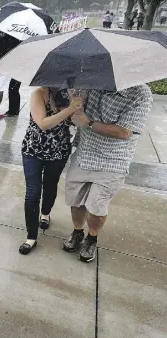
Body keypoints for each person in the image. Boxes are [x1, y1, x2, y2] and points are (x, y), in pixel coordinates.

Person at [63, 85, 153, 262]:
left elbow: (124, 132)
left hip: (114, 159)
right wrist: (74, 102)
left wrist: (88, 122)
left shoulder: (140, 93)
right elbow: (74, 115)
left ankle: (92, 238)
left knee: (97, 206)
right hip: (85, 153)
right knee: (75, 200)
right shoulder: (93, 83)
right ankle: (77, 232)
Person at [19, 87, 79, 255]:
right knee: (32, 192)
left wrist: (76, 111)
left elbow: (76, 122)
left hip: (59, 150)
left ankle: (45, 214)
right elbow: (43, 123)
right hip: (33, 149)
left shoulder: (70, 95)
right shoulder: (38, 94)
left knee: (50, 185)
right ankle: (31, 237)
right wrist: (69, 110)